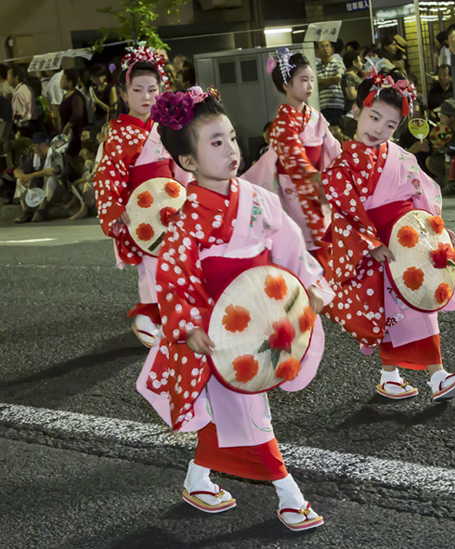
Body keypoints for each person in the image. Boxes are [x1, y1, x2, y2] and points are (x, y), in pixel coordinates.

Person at [140, 86, 331, 531]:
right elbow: (173, 277)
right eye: (216, 142)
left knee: (232, 414)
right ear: (187, 162)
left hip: (263, 321)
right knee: (248, 415)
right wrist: (187, 325)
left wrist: (312, 285)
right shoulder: (186, 218)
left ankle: (198, 481)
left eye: (231, 137)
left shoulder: (259, 200)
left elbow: (288, 248)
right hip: (220, 332)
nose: (231, 150)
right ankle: (289, 497)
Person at [321, 64, 455, 403]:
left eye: (390, 124)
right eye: (374, 118)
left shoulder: (401, 156)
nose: (380, 129)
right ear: (356, 110)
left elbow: (424, 197)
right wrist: (371, 243)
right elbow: (346, 213)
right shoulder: (341, 167)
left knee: (410, 310)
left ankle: (391, 377)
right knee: (403, 312)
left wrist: (437, 232)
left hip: (410, 242)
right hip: (382, 246)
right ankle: (437, 376)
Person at [92, 45, 188, 349]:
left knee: (176, 263)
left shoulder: (165, 128)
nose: (146, 97)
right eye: (138, 90)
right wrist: (115, 206)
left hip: (171, 206)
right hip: (143, 213)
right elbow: (108, 174)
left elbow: (181, 167)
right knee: (152, 266)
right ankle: (151, 318)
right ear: (123, 93)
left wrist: (191, 193)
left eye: (152, 90)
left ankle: (170, 317)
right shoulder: (119, 134)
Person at [243, 49, 341, 271]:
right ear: (286, 84)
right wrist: (315, 177)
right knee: (300, 248)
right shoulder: (282, 122)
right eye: (303, 80)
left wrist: (342, 169)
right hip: (293, 192)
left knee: (324, 246)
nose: (309, 86)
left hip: (316, 186)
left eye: (311, 80)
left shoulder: (315, 116)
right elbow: (295, 159)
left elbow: (333, 149)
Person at [13, 132, 65, 223]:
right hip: (38, 190)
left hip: (57, 191)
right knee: (20, 179)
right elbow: (17, 171)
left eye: (39, 145)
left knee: (51, 177)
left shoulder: (55, 154)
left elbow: (54, 170)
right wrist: (24, 177)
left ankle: (41, 210)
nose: (36, 149)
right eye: (34, 146)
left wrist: (32, 175)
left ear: (47, 144)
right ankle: (26, 211)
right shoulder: (33, 156)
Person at [59, 69, 88, 159]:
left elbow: (77, 115)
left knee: (76, 157)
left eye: (63, 79)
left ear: (70, 82)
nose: (60, 82)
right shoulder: (65, 95)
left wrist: (66, 127)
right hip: (67, 133)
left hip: (75, 133)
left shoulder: (76, 96)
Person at [315, 41, 346, 127]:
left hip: (337, 104)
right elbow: (315, 85)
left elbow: (337, 79)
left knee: (338, 131)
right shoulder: (315, 68)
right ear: (317, 51)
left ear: (332, 49)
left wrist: (321, 81)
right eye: (322, 46)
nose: (326, 48)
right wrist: (331, 80)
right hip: (322, 106)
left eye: (327, 46)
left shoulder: (338, 63)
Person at [8, 65, 36, 138]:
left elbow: (19, 115)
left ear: (16, 78)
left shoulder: (19, 92)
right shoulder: (27, 88)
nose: (7, 78)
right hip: (31, 123)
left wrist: (18, 132)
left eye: (9, 75)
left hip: (23, 127)